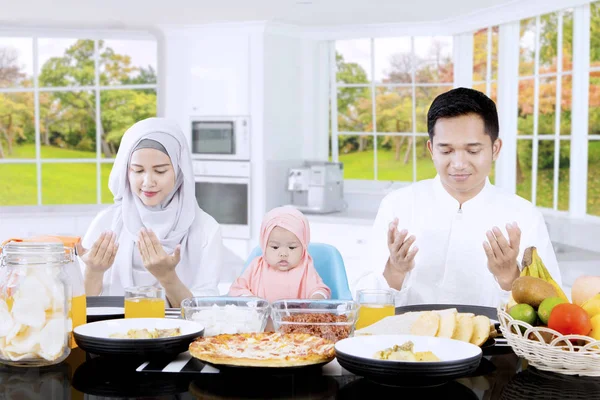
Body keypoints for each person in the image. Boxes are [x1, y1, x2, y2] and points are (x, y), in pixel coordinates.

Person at [353, 87, 562, 307]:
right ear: (431, 149)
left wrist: (508, 276)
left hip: (493, 340)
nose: (459, 164)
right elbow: (361, 301)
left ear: (495, 149)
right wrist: (395, 270)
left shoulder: (523, 215)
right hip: (411, 338)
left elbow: (551, 309)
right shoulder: (398, 206)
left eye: (473, 151)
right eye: (446, 150)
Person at [78, 117, 223, 307]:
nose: (148, 182)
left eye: (160, 171)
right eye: (138, 171)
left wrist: (167, 277)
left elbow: (207, 312)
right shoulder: (107, 223)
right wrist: (93, 272)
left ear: (179, 171)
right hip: (113, 332)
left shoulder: (206, 229)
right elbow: (78, 306)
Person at [228, 205, 331, 302]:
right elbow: (237, 289)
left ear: (304, 247)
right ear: (264, 246)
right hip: (260, 319)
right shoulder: (256, 266)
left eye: (292, 247)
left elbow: (320, 290)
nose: (283, 254)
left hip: (294, 320)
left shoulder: (306, 267)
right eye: (275, 247)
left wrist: (316, 299)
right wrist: (252, 301)